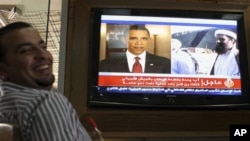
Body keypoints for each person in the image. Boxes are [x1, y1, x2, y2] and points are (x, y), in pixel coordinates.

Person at [0, 22, 91, 141]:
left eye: (43, 47)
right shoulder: (44, 101)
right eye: (26, 50)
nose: (43, 55)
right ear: (3, 70)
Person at [99, 24, 171, 73]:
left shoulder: (164, 63)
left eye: (144, 39)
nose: (139, 43)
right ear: (124, 40)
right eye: (133, 38)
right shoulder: (106, 64)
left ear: (149, 41)